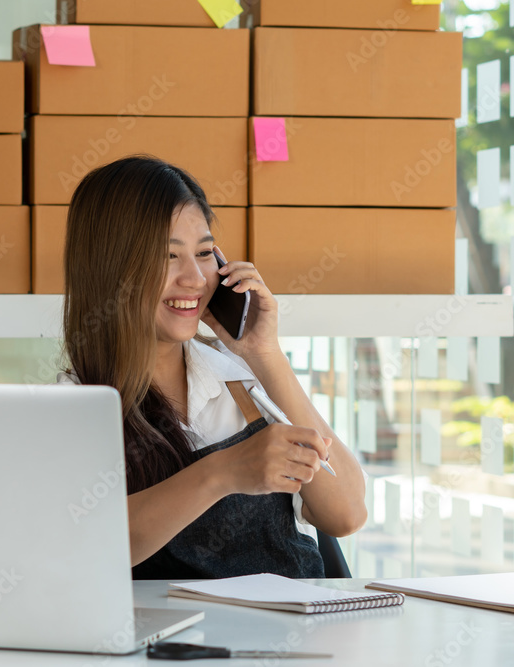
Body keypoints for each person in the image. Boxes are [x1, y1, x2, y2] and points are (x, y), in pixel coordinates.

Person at [56, 155, 366, 579]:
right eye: (168, 256)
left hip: (297, 630)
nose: (196, 279)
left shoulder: (240, 377)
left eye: (204, 253)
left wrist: (264, 354)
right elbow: (88, 543)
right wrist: (223, 471)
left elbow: (347, 514)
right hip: (182, 642)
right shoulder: (74, 407)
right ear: (111, 268)